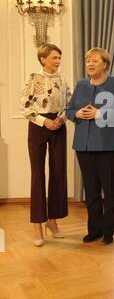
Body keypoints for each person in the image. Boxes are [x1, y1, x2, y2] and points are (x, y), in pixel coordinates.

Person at [66, 48, 114, 245]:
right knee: (90, 191)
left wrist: (99, 114)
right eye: (88, 61)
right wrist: (77, 114)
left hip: (109, 146)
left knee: (109, 191)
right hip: (84, 146)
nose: (90, 64)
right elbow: (69, 109)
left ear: (105, 64)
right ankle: (94, 230)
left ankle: (108, 231)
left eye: (95, 61)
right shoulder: (80, 84)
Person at [21, 43, 71, 247]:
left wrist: (61, 119)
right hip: (38, 126)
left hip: (58, 125)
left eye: (59, 58)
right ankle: (37, 225)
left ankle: (53, 221)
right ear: (43, 59)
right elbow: (25, 105)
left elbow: (69, 103)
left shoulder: (62, 78)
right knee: (37, 175)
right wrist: (44, 121)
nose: (58, 61)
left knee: (58, 172)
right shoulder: (33, 78)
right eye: (54, 58)